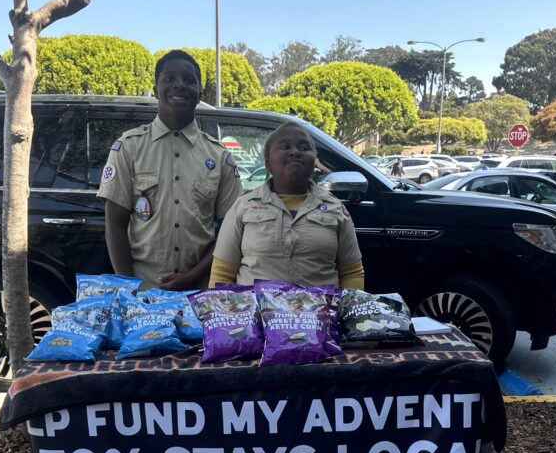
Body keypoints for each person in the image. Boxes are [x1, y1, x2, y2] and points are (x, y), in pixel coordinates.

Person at [98, 50, 243, 289]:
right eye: (169, 79)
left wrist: (193, 276)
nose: (180, 85)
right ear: (156, 89)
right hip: (144, 292)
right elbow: (115, 225)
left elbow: (230, 231)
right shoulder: (128, 148)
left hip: (200, 291)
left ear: (199, 94)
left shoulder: (219, 156)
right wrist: (129, 288)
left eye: (189, 80)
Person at [209, 123, 365, 290]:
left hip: (321, 314)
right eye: (285, 146)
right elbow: (223, 274)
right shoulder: (243, 206)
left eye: (304, 147)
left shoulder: (335, 208)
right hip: (257, 314)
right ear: (268, 164)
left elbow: (351, 273)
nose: (295, 152)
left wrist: (346, 313)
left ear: (314, 162)